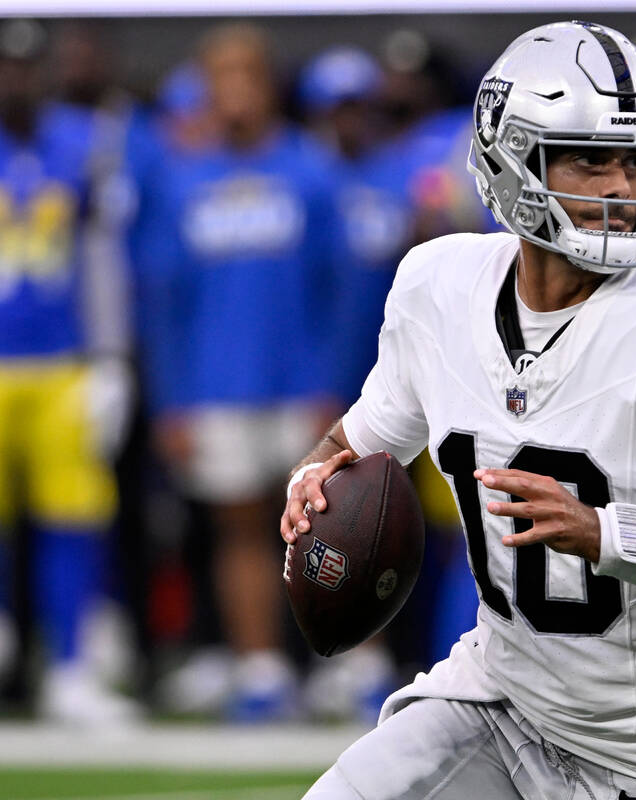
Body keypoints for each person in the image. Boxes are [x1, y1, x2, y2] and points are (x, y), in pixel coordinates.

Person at [281, 20, 636, 799]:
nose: (622, 189)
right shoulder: (439, 285)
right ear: (509, 157)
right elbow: (354, 443)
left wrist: (602, 532)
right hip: (500, 699)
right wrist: (312, 480)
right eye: (590, 159)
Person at [136, 24, 340, 721]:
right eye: (223, 79)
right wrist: (171, 400)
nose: (236, 94)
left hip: (300, 381)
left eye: (247, 78)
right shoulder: (181, 179)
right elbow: (165, 299)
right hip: (216, 383)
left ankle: (336, 662)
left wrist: (336, 384)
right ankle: (260, 670)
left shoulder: (310, 169)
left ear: (267, 85)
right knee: (241, 528)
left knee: (325, 527)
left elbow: (336, 289)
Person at [0, 18, 138, 723]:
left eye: (24, 66)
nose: (13, 79)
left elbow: (104, 259)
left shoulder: (83, 144)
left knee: (74, 519)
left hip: (61, 364)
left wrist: (111, 357)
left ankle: (70, 667)